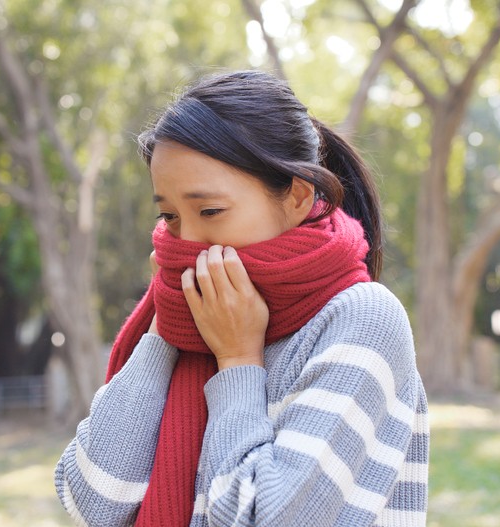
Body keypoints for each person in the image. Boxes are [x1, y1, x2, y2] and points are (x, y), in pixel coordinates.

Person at [55, 70, 429, 527]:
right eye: (169, 216)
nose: (188, 241)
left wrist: (236, 359)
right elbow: (93, 500)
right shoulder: (184, 319)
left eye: (209, 211)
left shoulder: (363, 319)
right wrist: (165, 323)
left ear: (296, 196)